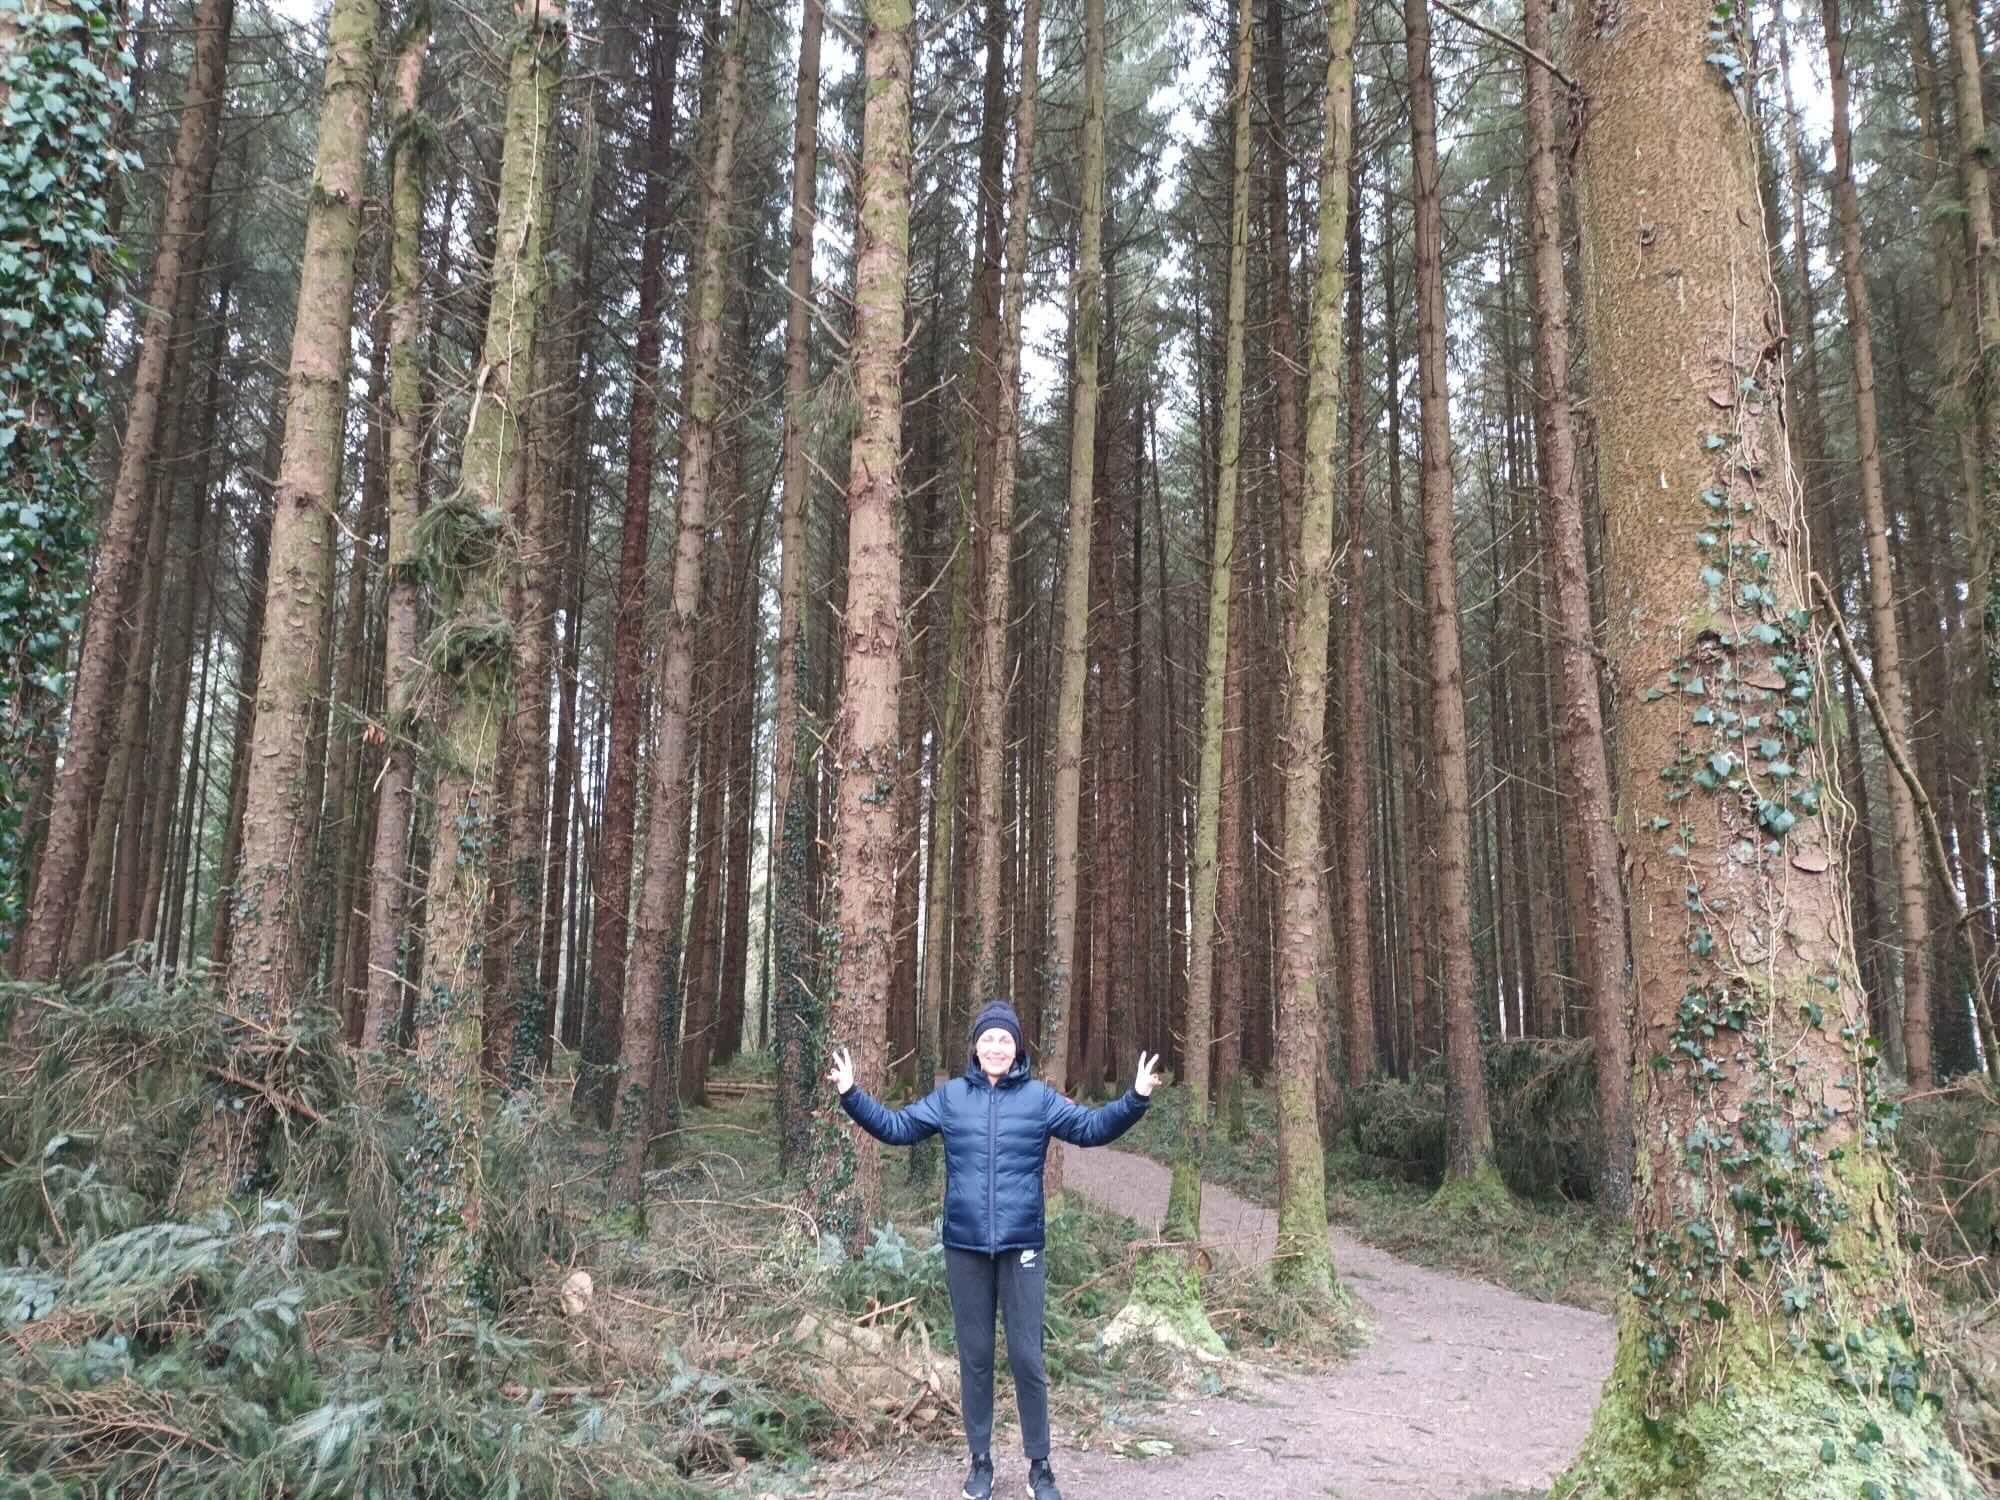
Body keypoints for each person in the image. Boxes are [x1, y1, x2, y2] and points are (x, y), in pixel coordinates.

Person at [827, 999, 1162, 1500]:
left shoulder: (1039, 1100)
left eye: (1005, 1039)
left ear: (1017, 1047)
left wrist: (1134, 1097)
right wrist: (852, 1094)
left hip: (1022, 1245)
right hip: (964, 1246)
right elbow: (897, 1129)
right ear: (976, 1047)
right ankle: (980, 1460)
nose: (996, 1046)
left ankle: (1040, 1466)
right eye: (988, 1038)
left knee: (1027, 1358)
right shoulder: (950, 1098)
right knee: (976, 1357)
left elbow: (1090, 1130)